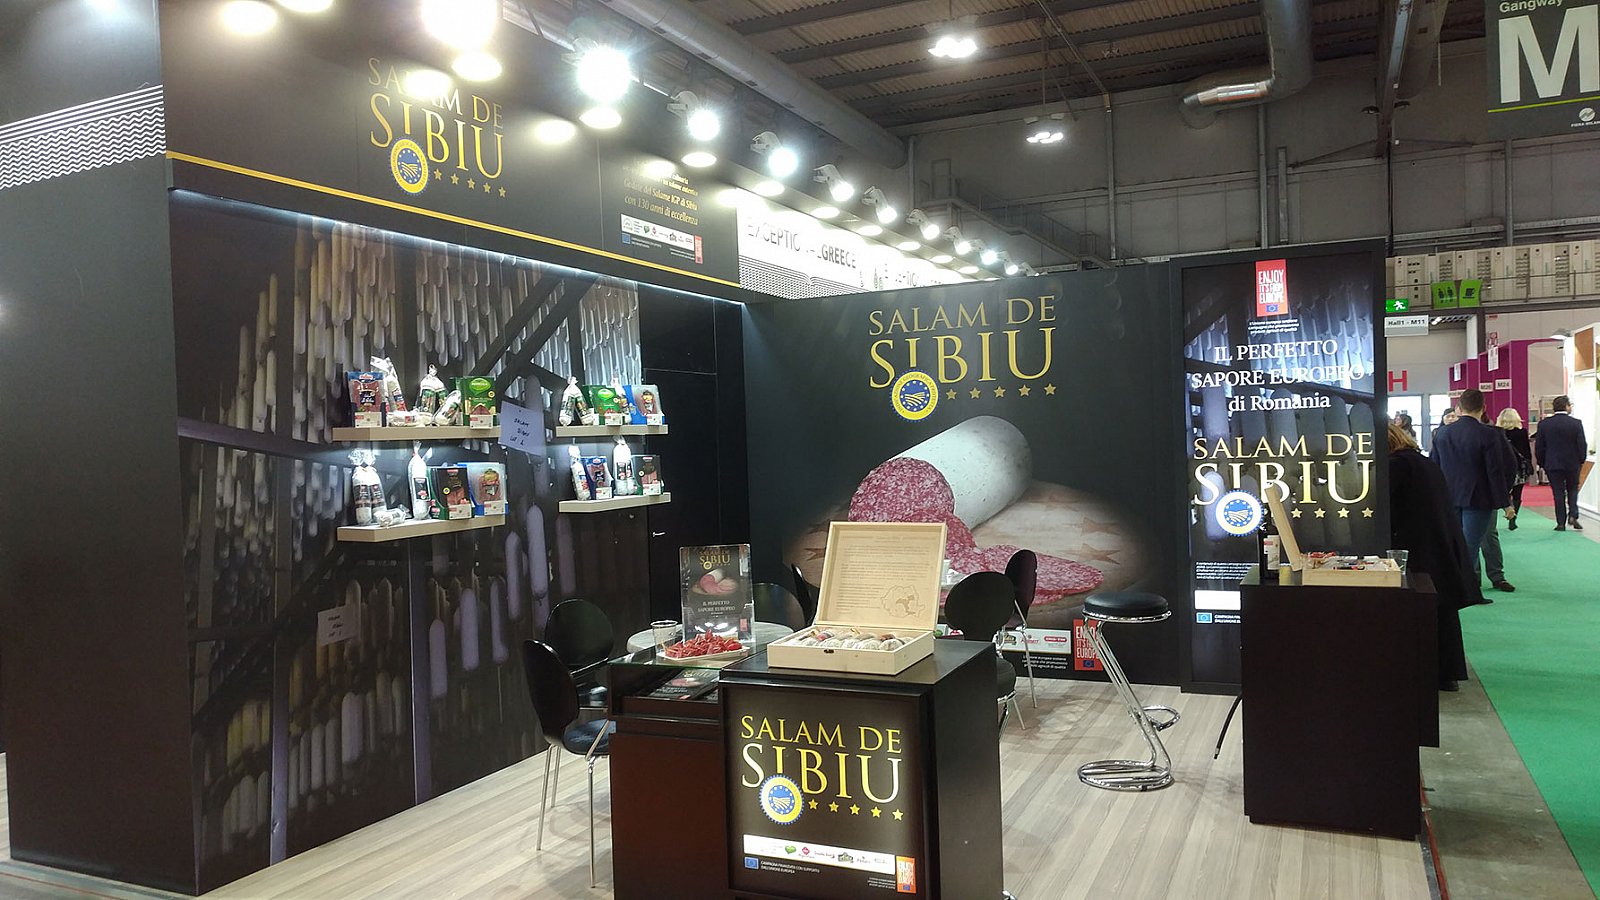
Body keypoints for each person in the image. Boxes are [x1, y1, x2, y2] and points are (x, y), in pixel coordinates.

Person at [1389, 423, 1478, 690]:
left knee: (1423, 609)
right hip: (1439, 543)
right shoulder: (1421, 462)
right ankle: (1448, 673)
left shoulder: (1397, 466)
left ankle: (1429, 672)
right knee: (1442, 610)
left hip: (1418, 546)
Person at [1431, 389, 1516, 588]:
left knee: (1455, 544)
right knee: (1471, 546)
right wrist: (1505, 503)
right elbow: (1495, 471)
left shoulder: (1442, 433)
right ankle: (1466, 589)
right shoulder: (1490, 434)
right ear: (1483, 408)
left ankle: (1459, 585)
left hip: (1449, 497)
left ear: (1459, 408)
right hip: (1479, 498)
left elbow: (1434, 466)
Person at [1535, 395, 1588, 531]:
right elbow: (1581, 444)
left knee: (1558, 492)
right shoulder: (1576, 423)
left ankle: (1560, 522)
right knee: (1573, 489)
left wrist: (1542, 463)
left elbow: (1540, 446)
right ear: (1566, 406)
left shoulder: (1544, 424)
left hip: (1552, 463)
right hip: (1572, 463)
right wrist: (1581, 459)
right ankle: (1573, 514)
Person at [1498, 409, 1532, 529]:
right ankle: (1513, 519)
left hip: (1503, 467)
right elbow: (1527, 451)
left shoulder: (1498, 433)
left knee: (1504, 491)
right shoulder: (1522, 432)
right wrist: (1530, 465)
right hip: (1519, 467)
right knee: (1517, 494)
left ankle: (1508, 509)